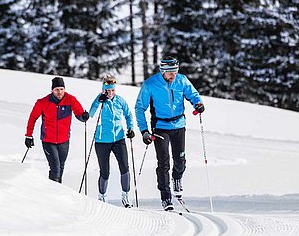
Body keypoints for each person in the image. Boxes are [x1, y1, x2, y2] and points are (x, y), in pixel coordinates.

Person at [134, 56, 204, 211]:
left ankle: (177, 178)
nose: (173, 75)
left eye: (175, 71)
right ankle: (166, 197)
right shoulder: (150, 84)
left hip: (179, 124)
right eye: (170, 72)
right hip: (160, 127)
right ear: (163, 71)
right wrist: (144, 131)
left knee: (180, 160)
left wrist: (198, 103)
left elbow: (193, 94)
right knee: (163, 162)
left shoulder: (182, 80)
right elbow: (140, 108)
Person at [25, 77, 89, 183]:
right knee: (55, 168)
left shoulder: (70, 99)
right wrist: (28, 135)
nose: (59, 92)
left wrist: (84, 116)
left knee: (61, 167)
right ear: (52, 90)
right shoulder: (42, 102)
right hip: (48, 141)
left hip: (64, 140)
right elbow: (32, 118)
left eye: (61, 89)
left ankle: (57, 191)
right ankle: (53, 194)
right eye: (57, 89)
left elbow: (79, 114)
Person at [89, 75, 135, 208]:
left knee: (125, 167)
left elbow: (128, 115)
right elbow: (91, 113)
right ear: (104, 90)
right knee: (105, 171)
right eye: (108, 91)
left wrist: (130, 128)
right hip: (102, 141)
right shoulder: (100, 100)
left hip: (119, 139)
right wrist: (99, 101)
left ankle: (126, 196)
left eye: (112, 90)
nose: (110, 93)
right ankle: (102, 196)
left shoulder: (120, 101)